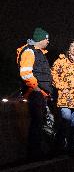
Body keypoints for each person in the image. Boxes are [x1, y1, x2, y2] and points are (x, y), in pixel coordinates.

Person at [17, 27, 53, 160]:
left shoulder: (39, 53)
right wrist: (37, 89)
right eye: (47, 39)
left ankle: (38, 151)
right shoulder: (29, 51)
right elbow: (25, 73)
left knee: (40, 124)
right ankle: (34, 153)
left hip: (41, 94)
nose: (48, 41)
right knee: (37, 123)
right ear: (40, 39)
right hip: (35, 94)